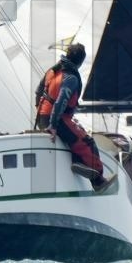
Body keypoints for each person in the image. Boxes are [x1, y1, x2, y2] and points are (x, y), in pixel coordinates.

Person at [37, 42, 106, 186]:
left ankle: (77, 161)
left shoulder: (53, 70)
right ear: (80, 62)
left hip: (43, 117)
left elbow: (39, 92)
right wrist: (53, 125)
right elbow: (61, 101)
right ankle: (98, 180)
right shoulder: (71, 78)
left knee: (73, 136)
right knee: (88, 142)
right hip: (56, 119)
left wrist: (41, 112)